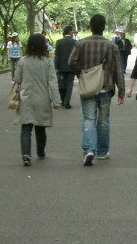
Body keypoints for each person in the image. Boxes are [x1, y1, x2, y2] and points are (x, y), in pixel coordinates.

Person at [68, 14, 125, 165]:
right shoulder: (111, 46)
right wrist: (122, 90)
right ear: (104, 27)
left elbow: (71, 62)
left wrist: (82, 73)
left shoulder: (81, 43)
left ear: (90, 26)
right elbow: (118, 69)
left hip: (88, 87)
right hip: (106, 87)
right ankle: (102, 151)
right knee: (103, 121)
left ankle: (89, 149)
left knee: (88, 119)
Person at [13, 33, 62, 166]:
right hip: (42, 98)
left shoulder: (23, 61)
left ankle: (26, 155)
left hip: (26, 98)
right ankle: (40, 151)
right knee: (40, 127)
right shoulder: (47, 62)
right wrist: (56, 101)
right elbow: (53, 82)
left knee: (26, 128)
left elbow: (17, 79)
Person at [54, 25, 77, 109]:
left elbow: (57, 56)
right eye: (72, 31)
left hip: (61, 67)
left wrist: (56, 67)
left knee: (61, 84)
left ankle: (63, 100)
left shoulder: (59, 42)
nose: (73, 32)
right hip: (71, 67)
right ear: (69, 31)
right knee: (69, 84)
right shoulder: (75, 42)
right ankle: (67, 101)